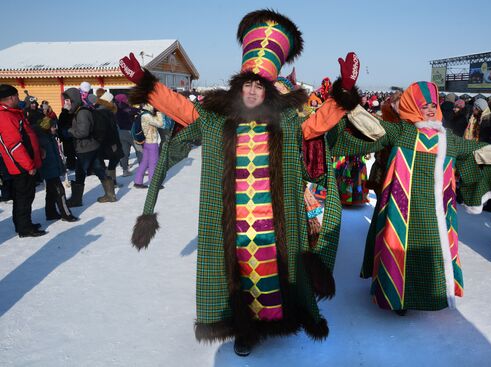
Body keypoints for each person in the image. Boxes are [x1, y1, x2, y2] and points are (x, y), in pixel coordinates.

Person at [121, 9, 362, 356]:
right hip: (232, 222)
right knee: (237, 280)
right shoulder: (217, 121)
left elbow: (319, 124)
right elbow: (180, 107)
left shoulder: (287, 123)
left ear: (268, 91)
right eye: (247, 84)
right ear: (238, 88)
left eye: (258, 85)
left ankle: (277, 321)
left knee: (276, 276)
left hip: (275, 222)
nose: (252, 90)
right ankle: (244, 331)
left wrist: (345, 92)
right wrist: (147, 83)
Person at [345, 81, 491, 314]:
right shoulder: (403, 132)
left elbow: (476, 151)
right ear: (412, 107)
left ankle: (427, 294)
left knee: (429, 252)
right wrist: (347, 100)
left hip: (435, 210)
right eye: (423, 105)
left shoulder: (447, 138)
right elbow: (373, 127)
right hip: (401, 206)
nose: (430, 109)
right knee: (399, 248)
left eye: (433, 104)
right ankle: (397, 297)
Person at [0, 84, 46, 237]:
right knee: (23, 197)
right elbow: (14, 145)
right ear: (11, 97)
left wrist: (38, 151)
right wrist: (28, 165)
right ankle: (24, 228)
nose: (19, 99)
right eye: (17, 96)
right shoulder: (5, 116)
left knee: (27, 196)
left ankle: (24, 224)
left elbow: (27, 136)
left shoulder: (13, 113)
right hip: (20, 166)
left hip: (25, 162)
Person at [64, 87, 116, 206]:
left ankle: (76, 200)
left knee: (80, 172)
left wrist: (70, 131)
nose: (66, 103)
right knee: (99, 169)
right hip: (92, 146)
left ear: (74, 100)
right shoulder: (80, 110)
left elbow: (83, 132)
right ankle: (110, 195)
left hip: (85, 148)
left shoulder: (81, 112)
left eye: (68, 100)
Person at [36, 116, 78, 222]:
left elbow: (56, 154)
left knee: (51, 192)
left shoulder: (50, 137)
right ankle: (66, 214)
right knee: (60, 191)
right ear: (47, 127)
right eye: (53, 126)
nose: (55, 128)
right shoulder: (41, 139)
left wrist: (61, 166)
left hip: (53, 167)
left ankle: (50, 213)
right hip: (48, 169)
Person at [133, 104, 164, 188]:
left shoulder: (144, 113)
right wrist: (159, 112)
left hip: (147, 141)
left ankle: (138, 181)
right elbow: (160, 124)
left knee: (145, 162)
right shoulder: (147, 115)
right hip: (151, 142)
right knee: (153, 163)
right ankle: (154, 184)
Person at [114, 93, 142, 176]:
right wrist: (139, 109)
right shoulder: (124, 107)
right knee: (139, 149)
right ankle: (143, 168)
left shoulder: (115, 108)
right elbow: (133, 110)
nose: (127, 100)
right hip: (130, 132)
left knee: (124, 151)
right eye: (126, 98)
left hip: (120, 132)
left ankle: (125, 170)